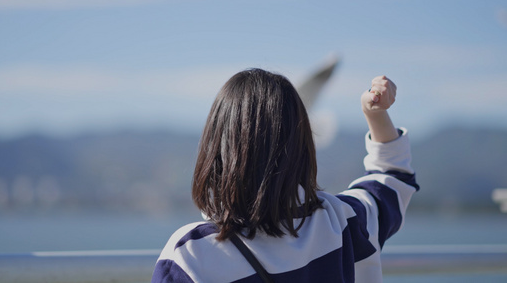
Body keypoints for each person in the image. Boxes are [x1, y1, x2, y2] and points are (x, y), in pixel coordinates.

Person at [151, 69, 418, 283]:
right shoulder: (342, 222)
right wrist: (375, 114)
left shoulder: (192, 255)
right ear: (301, 144)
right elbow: (392, 178)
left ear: (217, 145)